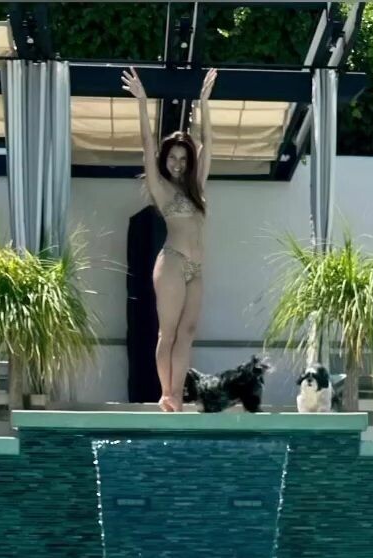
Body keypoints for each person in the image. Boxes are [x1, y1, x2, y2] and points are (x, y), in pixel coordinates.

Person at [122, 66, 217, 412]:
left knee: (188, 332)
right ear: (166, 160)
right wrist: (142, 101)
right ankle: (166, 393)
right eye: (173, 157)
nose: (177, 163)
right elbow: (147, 145)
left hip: (196, 268)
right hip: (173, 262)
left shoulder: (196, 189)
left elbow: (209, 144)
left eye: (183, 158)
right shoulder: (160, 190)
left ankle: (177, 393)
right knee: (169, 332)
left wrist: (204, 102)